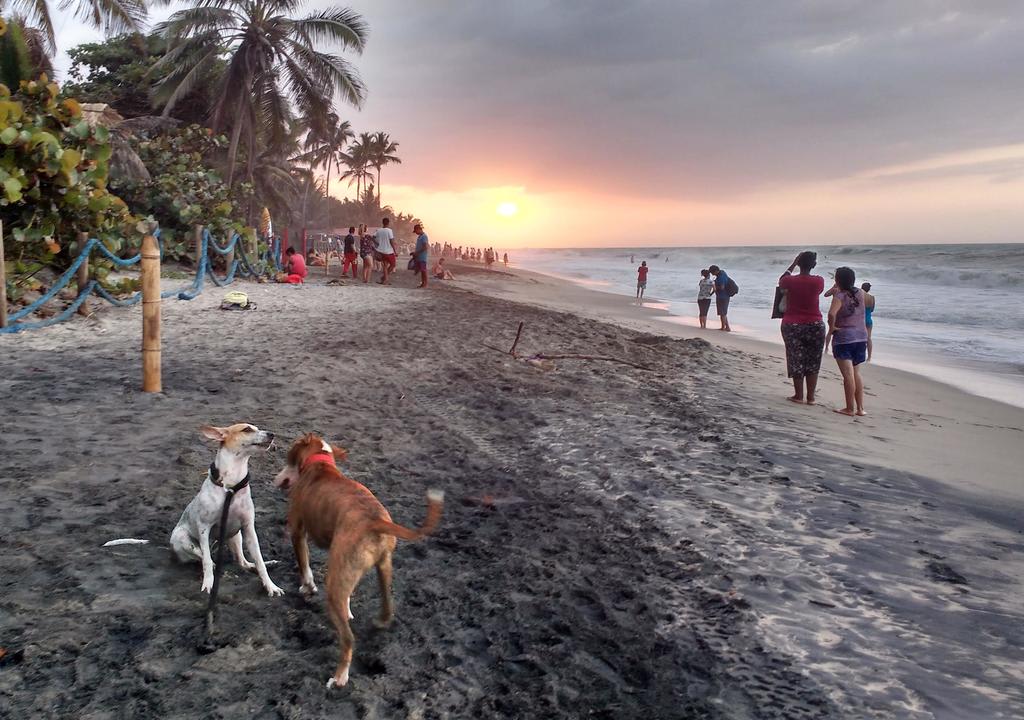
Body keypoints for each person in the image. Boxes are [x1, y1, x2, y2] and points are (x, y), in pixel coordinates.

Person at [779, 252, 826, 404]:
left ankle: (799, 395)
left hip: (792, 323)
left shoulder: (788, 281)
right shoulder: (819, 281)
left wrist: (793, 264)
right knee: (813, 360)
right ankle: (811, 397)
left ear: (798, 264)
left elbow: (781, 281)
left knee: (795, 358)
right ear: (813, 265)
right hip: (815, 324)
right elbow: (818, 292)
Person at [826, 266, 869, 416]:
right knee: (856, 373)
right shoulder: (861, 293)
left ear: (838, 280)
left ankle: (849, 408)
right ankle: (860, 408)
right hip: (861, 336)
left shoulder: (840, 296)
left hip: (844, 338)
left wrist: (832, 327)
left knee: (847, 375)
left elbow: (831, 314)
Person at [708, 265, 731, 331]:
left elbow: (722, 287)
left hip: (723, 296)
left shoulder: (721, 277)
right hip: (724, 296)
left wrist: (714, 287)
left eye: (712, 272)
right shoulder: (722, 273)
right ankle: (727, 327)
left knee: (722, 313)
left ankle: (723, 327)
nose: (712, 274)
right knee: (723, 312)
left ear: (716, 271)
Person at [374, 218, 396, 284]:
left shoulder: (379, 230)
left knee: (385, 265)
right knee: (393, 265)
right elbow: (391, 241)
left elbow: (373, 237)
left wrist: (377, 243)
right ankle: (384, 278)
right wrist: (395, 250)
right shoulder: (389, 231)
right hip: (388, 251)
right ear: (388, 223)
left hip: (381, 250)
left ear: (382, 222)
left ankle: (385, 279)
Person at [861, 282, 875, 361]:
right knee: (868, 338)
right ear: (869, 289)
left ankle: (861, 354)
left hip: (860, 319)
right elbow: (872, 309)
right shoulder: (872, 297)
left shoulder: (860, 296)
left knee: (860, 338)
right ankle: (869, 357)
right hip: (869, 319)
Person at [413, 223, 429, 288]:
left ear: (419, 229)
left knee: (424, 271)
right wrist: (415, 252)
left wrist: (417, 253)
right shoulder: (420, 236)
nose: (416, 233)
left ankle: (425, 284)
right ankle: (423, 283)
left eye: (416, 231)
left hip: (422, 256)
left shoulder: (424, 236)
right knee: (422, 271)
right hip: (419, 256)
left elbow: (425, 247)